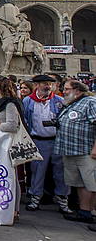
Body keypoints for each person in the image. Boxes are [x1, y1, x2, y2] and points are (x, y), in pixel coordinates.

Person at [22, 75, 70, 214]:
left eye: (49, 83)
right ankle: (35, 198)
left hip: (56, 140)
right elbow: (25, 119)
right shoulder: (28, 101)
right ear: (37, 85)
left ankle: (63, 200)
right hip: (38, 139)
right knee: (38, 171)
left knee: (60, 172)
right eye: (44, 83)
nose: (47, 86)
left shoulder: (58, 101)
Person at [53, 80, 96, 225]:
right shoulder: (70, 103)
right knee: (79, 183)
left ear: (77, 90)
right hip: (71, 150)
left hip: (87, 151)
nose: (63, 91)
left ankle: (92, 211)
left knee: (92, 184)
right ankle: (85, 212)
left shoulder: (90, 102)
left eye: (66, 89)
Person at [0, 77, 24, 223]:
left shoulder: (10, 104)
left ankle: (14, 209)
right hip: (3, 144)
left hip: (10, 144)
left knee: (12, 177)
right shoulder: (4, 103)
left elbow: (12, 125)